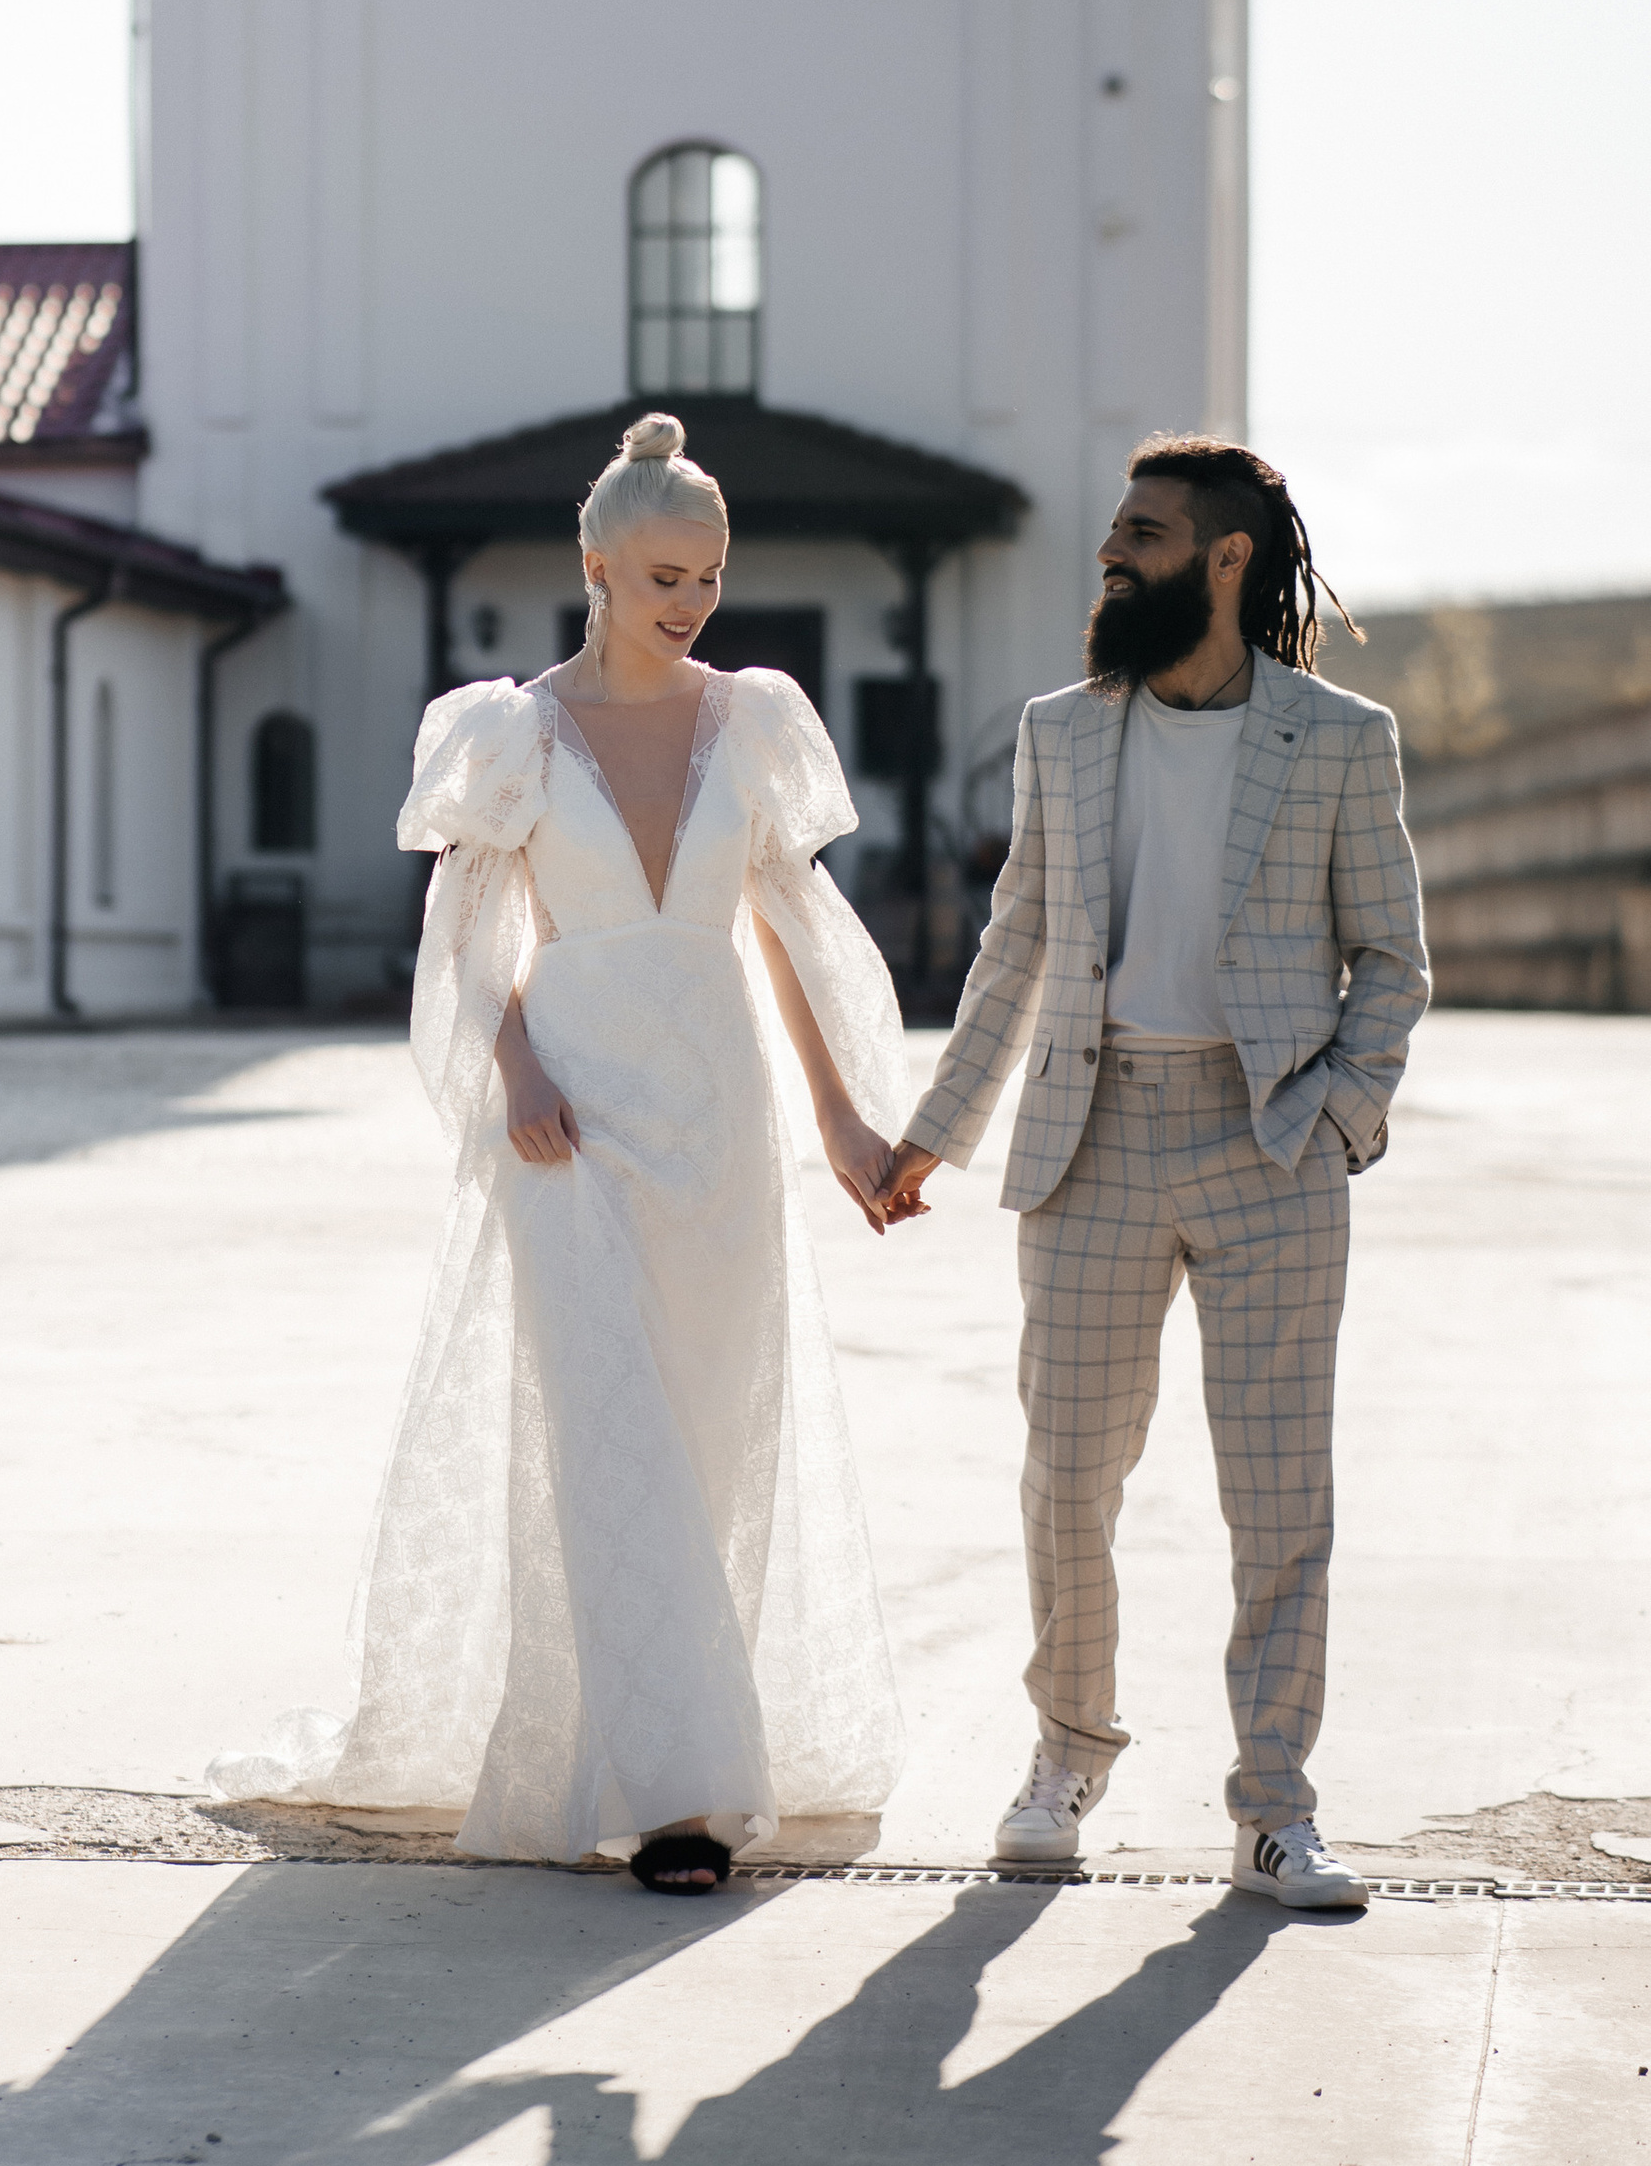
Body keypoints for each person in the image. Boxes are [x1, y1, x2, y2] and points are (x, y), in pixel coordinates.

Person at [214, 414, 910, 1892]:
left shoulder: (758, 719)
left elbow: (784, 925)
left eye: (710, 577)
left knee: (711, 1434)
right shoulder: (509, 734)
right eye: (663, 573)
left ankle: (676, 1741)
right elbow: (467, 943)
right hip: (574, 1119)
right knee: (607, 1432)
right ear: (594, 563)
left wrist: (843, 1116)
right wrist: (514, 1066)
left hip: (718, 1116)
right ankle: (678, 1801)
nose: (690, 603)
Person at [881, 436, 1429, 1912]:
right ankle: (1067, 1752)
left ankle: (1274, 1808)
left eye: (1144, 532)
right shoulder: (1062, 731)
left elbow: (1392, 961)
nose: (1112, 553)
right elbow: (1017, 939)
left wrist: (1338, 1115)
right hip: (1092, 1135)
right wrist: (932, 1129)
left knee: (1277, 1499)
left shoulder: (1341, 738)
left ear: (1227, 559)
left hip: (1269, 1143)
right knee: (1068, 1481)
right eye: (1115, 529)